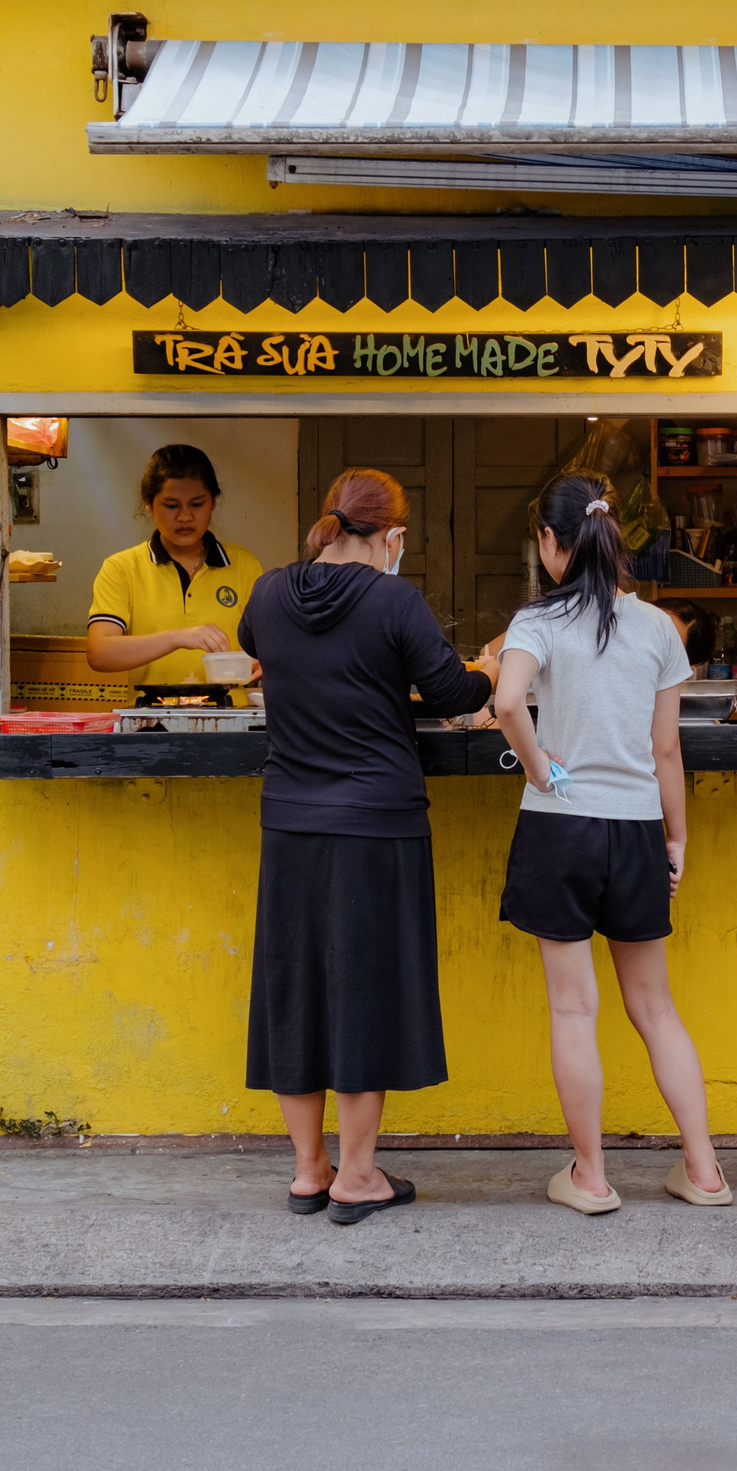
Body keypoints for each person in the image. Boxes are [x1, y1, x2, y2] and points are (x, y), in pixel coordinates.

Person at [236, 468, 498, 1224]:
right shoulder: (393, 599)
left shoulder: (268, 593)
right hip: (376, 820)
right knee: (361, 993)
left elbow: (264, 645)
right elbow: (449, 691)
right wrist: (493, 670)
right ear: (394, 536)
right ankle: (357, 1174)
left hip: (289, 820)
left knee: (296, 991)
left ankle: (309, 1169)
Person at [489, 471, 730, 1216]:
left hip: (559, 828)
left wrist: (542, 769)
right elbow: (667, 752)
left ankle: (591, 1178)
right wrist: (678, 838)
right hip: (635, 830)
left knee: (573, 1009)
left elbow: (504, 700)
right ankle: (706, 1172)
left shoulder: (538, 620)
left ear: (550, 543)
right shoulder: (658, 626)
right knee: (656, 1008)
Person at [85, 444, 265, 690]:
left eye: (197, 504)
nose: (184, 516)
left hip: (231, 721)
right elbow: (99, 653)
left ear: (213, 502)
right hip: (151, 721)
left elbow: (270, 649)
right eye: (171, 505)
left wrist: (265, 663)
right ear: (149, 503)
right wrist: (179, 637)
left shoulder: (244, 565)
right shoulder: (122, 568)